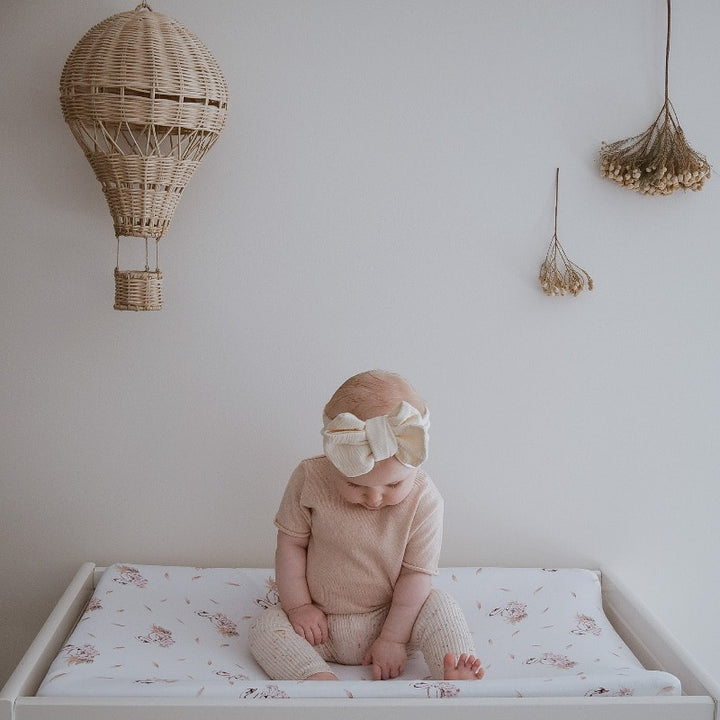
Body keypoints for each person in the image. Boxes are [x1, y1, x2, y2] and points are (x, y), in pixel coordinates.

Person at [249, 370, 483, 682]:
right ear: (333, 459)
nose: (374, 498)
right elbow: (291, 545)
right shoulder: (309, 478)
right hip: (320, 625)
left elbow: (416, 575)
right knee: (264, 627)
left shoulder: (426, 500)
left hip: (392, 620)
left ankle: (451, 668)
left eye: (394, 485)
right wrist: (299, 608)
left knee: (440, 604)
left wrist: (394, 639)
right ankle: (313, 676)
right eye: (355, 486)